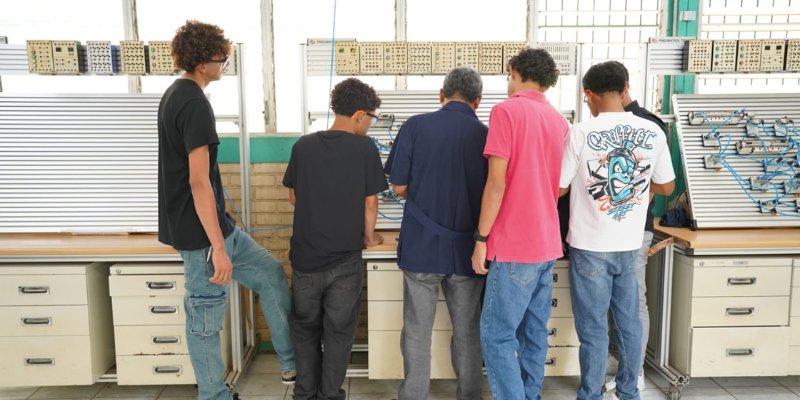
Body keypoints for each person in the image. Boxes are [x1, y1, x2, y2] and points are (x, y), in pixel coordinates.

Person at [157, 20, 295, 400]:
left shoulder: (177, 94)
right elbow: (198, 182)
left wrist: (225, 233)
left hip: (218, 228)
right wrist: (218, 247)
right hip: (203, 237)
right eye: (222, 60)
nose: (225, 66)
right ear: (202, 63)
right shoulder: (192, 103)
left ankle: (290, 361)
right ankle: (214, 395)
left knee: (269, 272)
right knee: (205, 318)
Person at [559, 61, 675, 400]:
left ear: (589, 94)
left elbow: (560, 187)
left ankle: (591, 394)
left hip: (589, 244)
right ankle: (629, 392)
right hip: (630, 243)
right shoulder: (653, 131)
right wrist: (641, 191)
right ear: (624, 88)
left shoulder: (580, 132)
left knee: (593, 327)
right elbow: (667, 186)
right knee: (629, 323)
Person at [470, 48, 569, 400]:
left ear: (513, 71)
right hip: (547, 243)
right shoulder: (559, 120)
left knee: (496, 334)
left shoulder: (506, 111)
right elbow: (561, 185)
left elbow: (496, 183)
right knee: (534, 332)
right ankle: (530, 394)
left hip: (514, 245)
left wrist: (481, 238)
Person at [385, 67, 487, 400]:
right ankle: (470, 394)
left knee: (417, 329)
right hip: (469, 251)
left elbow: (398, 186)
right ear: (478, 100)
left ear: (441, 95)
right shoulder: (487, 135)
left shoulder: (415, 126)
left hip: (421, 247)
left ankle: (414, 395)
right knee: (468, 330)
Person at [282, 77, 386, 400]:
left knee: (305, 329)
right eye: (371, 118)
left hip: (305, 260)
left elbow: (294, 198)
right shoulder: (365, 149)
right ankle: (329, 395)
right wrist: (369, 237)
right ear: (359, 114)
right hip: (345, 262)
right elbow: (371, 203)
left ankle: (304, 394)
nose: (370, 124)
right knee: (339, 333)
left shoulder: (302, 146)